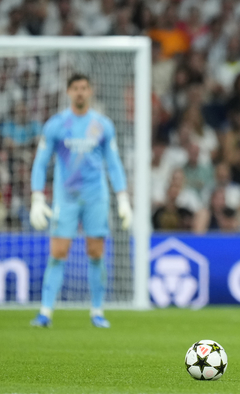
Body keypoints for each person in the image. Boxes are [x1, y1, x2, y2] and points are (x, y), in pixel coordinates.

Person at [29, 73, 133, 328]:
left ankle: (97, 311)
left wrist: (123, 199)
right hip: (66, 197)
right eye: (75, 88)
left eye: (84, 88)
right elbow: (41, 163)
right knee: (58, 252)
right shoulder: (56, 124)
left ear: (90, 91)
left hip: (95, 196)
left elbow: (114, 163)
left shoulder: (102, 125)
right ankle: (45, 312)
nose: (80, 92)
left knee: (96, 252)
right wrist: (37, 197)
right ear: (68, 92)